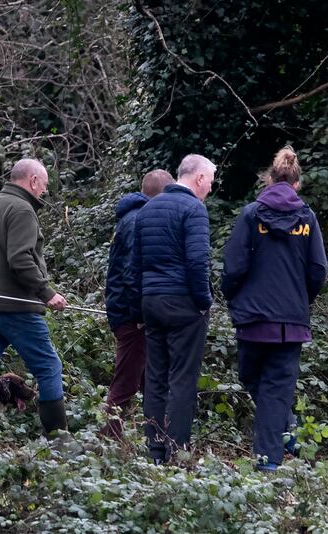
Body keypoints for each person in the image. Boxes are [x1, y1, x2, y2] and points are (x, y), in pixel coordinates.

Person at [221, 147, 328, 471]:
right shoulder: (307, 219)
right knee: (273, 387)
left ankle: (268, 462)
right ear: (296, 184)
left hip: (254, 319)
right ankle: (291, 436)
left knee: (258, 380)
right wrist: (300, 300)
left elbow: (234, 266)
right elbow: (318, 271)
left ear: (270, 179)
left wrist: (232, 297)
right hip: (290, 322)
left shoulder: (251, 215)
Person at [0, 158, 68, 457]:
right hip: (16, 308)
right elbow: (20, 259)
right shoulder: (22, 209)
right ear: (32, 181)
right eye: (44, 185)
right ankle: (59, 446)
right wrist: (46, 292)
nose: (44, 191)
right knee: (49, 367)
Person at [132, 154, 215, 464]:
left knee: (155, 377)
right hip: (183, 303)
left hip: (151, 302)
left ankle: (154, 448)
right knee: (182, 379)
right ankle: (177, 450)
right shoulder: (194, 209)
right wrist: (204, 301)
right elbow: (197, 262)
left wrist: (141, 305)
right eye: (210, 180)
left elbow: (135, 265)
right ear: (199, 179)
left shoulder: (147, 208)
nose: (210, 187)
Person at [101, 169, 175, 440]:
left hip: (130, 313)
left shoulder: (133, 216)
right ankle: (107, 441)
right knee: (126, 382)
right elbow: (132, 274)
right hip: (133, 317)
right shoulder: (138, 220)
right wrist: (141, 314)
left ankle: (158, 436)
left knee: (149, 379)